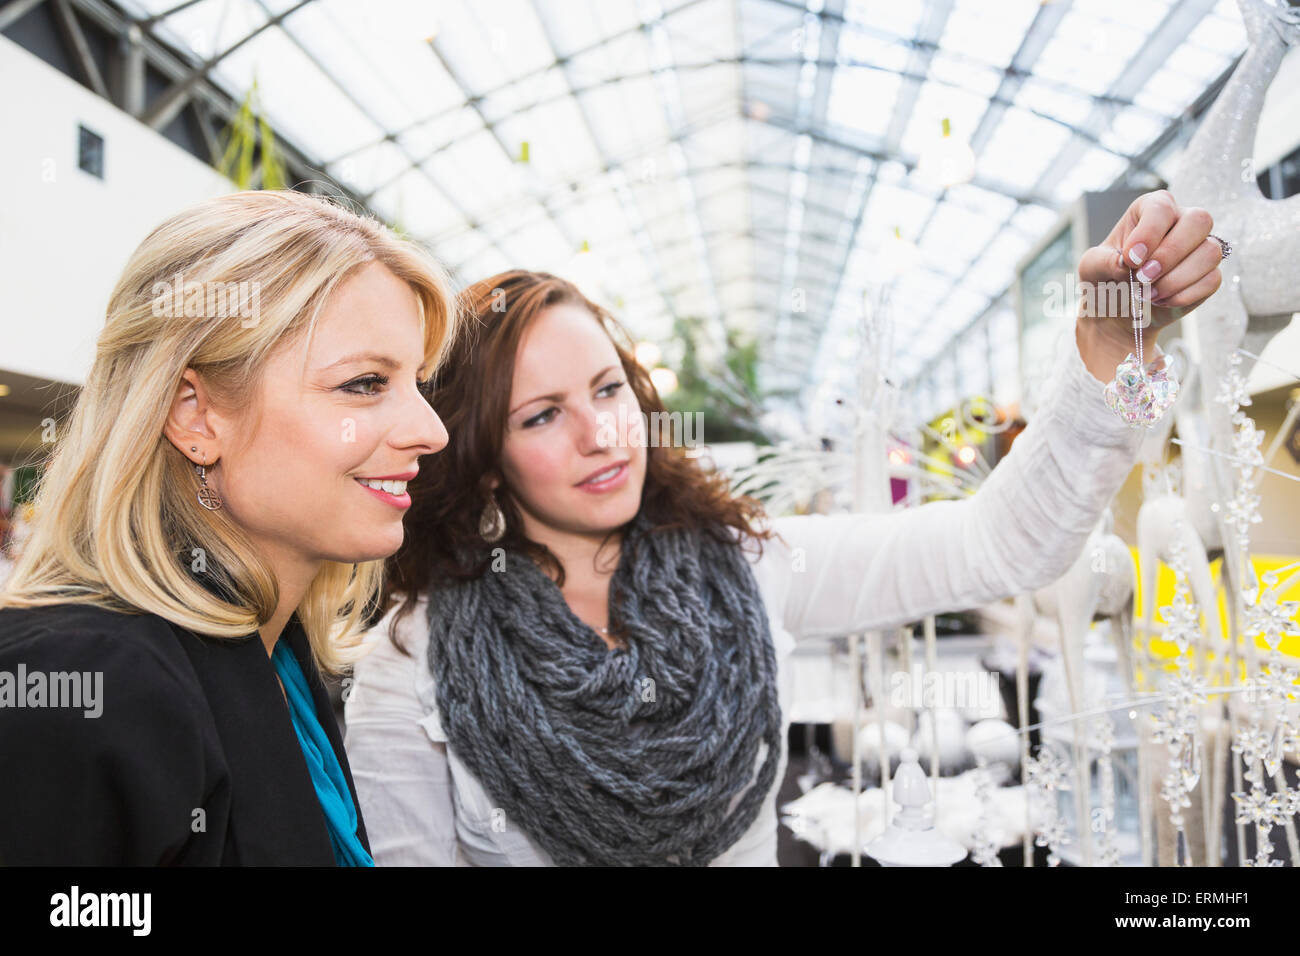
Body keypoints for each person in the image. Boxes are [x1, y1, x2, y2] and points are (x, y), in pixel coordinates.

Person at [344, 189, 1224, 866]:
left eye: (609, 391)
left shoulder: (745, 568)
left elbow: (1002, 542)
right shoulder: (409, 670)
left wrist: (1111, 352)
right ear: (484, 457)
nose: (600, 434)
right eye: (541, 415)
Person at [0, 190, 457, 865]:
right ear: (195, 414)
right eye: (364, 384)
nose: (432, 430)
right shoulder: (84, 684)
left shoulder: (278, 653)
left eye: (418, 383)